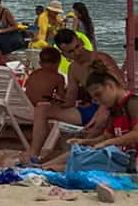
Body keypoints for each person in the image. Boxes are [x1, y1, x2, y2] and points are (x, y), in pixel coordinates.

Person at [21, 29, 122, 162]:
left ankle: (79, 153)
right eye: (71, 51)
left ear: (81, 42)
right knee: (41, 108)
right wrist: (57, 102)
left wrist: (104, 108)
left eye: (77, 47)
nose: (77, 53)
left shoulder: (102, 59)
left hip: (110, 109)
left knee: (101, 117)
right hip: (90, 110)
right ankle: (33, 154)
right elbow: (70, 100)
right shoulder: (73, 69)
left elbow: (121, 87)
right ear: (64, 54)